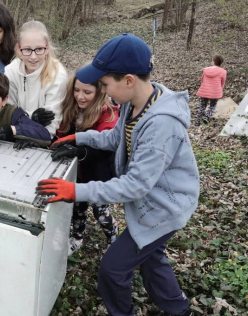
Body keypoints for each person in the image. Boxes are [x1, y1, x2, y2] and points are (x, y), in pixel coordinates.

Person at [36, 33, 199, 316]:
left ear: (128, 80)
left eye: (105, 84)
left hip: (163, 210)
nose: (103, 90)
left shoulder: (161, 125)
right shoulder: (134, 103)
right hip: (152, 203)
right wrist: (79, 137)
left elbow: (135, 185)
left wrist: (75, 191)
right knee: (151, 259)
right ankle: (179, 309)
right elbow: (115, 139)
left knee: (112, 269)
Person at [52, 70, 120, 255]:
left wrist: (81, 150)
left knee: (100, 210)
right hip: (78, 172)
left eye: (87, 92)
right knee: (78, 207)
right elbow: (63, 132)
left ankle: (114, 238)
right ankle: (77, 237)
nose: (80, 96)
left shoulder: (108, 115)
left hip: (98, 174)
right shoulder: (71, 109)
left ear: (100, 92)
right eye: (76, 90)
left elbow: (104, 147)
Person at [4, 20, 67, 138]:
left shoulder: (57, 75)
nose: (33, 57)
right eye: (27, 49)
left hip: (44, 139)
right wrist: (32, 117)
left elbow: (51, 127)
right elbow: (8, 112)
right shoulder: (11, 71)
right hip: (15, 134)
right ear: (19, 49)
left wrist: (22, 119)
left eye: (39, 49)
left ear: (47, 48)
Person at [195, 54, 227, 126]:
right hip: (215, 91)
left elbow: (202, 79)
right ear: (221, 62)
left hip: (205, 90)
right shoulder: (223, 72)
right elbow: (222, 82)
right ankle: (207, 117)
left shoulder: (206, 70)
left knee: (203, 105)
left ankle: (197, 121)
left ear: (213, 61)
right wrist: (221, 89)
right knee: (212, 106)